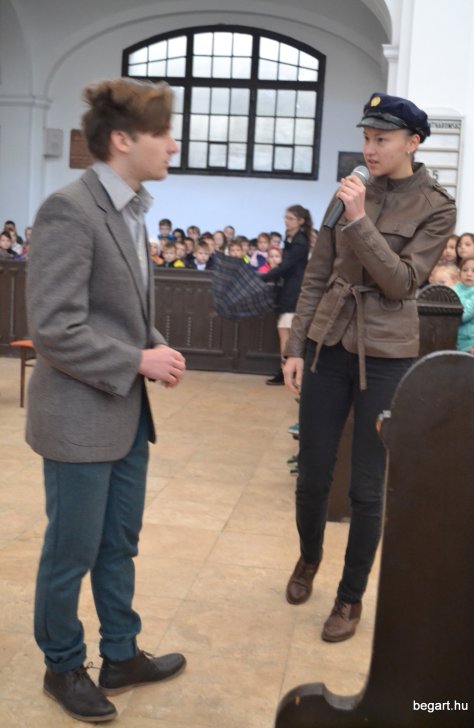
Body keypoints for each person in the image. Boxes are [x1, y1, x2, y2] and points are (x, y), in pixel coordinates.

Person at [26, 77, 187, 723]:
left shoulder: (130, 208)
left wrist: (154, 343)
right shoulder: (70, 209)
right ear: (122, 139)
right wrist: (137, 360)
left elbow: (117, 312)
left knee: (119, 543)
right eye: (162, 133)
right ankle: (63, 666)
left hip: (123, 414)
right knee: (71, 551)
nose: (172, 145)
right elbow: (54, 328)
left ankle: (121, 654)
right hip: (77, 418)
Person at [283, 92, 456, 643]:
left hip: (386, 355)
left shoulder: (436, 206)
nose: (370, 148)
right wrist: (295, 347)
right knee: (312, 474)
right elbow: (317, 274)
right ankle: (309, 556)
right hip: (328, 343)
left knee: (366, 485)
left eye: (382, 138)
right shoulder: (349, 189)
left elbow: (402, 283)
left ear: (413, 142)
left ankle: (350, 596)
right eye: (366, 137)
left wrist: (359, 220)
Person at [260, 205, 312, 385]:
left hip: (294, 291)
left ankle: (285, 372)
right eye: (285, 217)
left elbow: (285, 266)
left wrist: (263, 277)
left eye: (290, 218)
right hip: (290, 289)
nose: (286, 221)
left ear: (300, 221)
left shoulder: (300, 242)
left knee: (286, 334)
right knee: (286, 333)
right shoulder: (293, 239)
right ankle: (287, 371)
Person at [453, 255, 474, 352]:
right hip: (455, 339)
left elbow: (462, 316)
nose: (469, 274)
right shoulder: (455, 288)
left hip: (472, 343)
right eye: (465, 270)